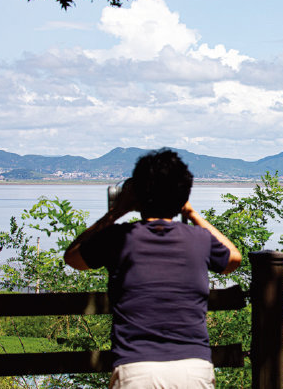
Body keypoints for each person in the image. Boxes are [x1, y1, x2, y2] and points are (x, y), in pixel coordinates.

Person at [64, 148, 241, 389]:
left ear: (136, 194)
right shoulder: (198, 239)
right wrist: (191, 212)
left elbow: (73, 257)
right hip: (193, 369)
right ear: (183, 195)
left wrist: (116, 212)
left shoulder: (118, 238)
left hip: (136, 369)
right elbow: (234, 259)